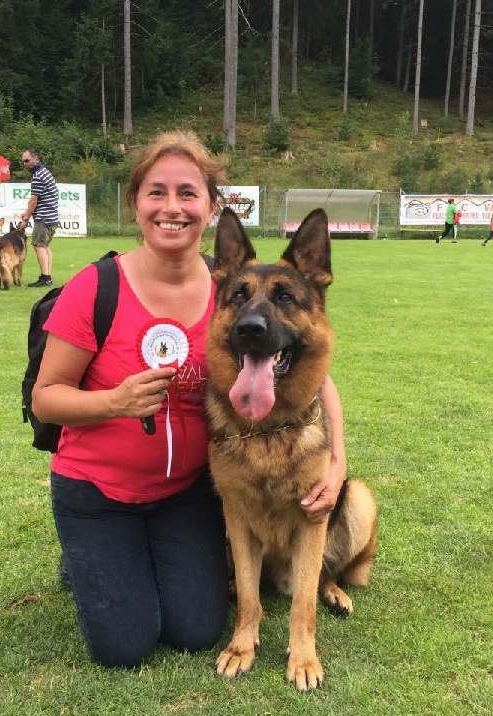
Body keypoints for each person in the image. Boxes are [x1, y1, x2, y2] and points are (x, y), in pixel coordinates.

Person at [31, 130, 347, 669]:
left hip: (186, 497)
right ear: (136, 204)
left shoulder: (224, 284)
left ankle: (150, 558)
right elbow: (45, 399)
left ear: (209, 206)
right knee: (123, 645)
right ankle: (90, 556)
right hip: (102, 492)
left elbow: (313, 377)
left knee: (197, 630)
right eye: (156, 192)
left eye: (187, 193)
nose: (171, 207)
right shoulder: (94, 286)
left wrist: (336, 463)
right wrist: (115, 402)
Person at [19, 150, 58, 287]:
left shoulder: (38, 176)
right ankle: (47, 276)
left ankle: (45, 278)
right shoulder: (45, 172)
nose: (25, 164)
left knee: (38, 245)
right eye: (23, 161)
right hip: (52, 217)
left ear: (36, 159)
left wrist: (25, 219)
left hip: (43, 218)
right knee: (45, 246)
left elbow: (33, 201)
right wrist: (27, 212)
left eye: (27, 160)